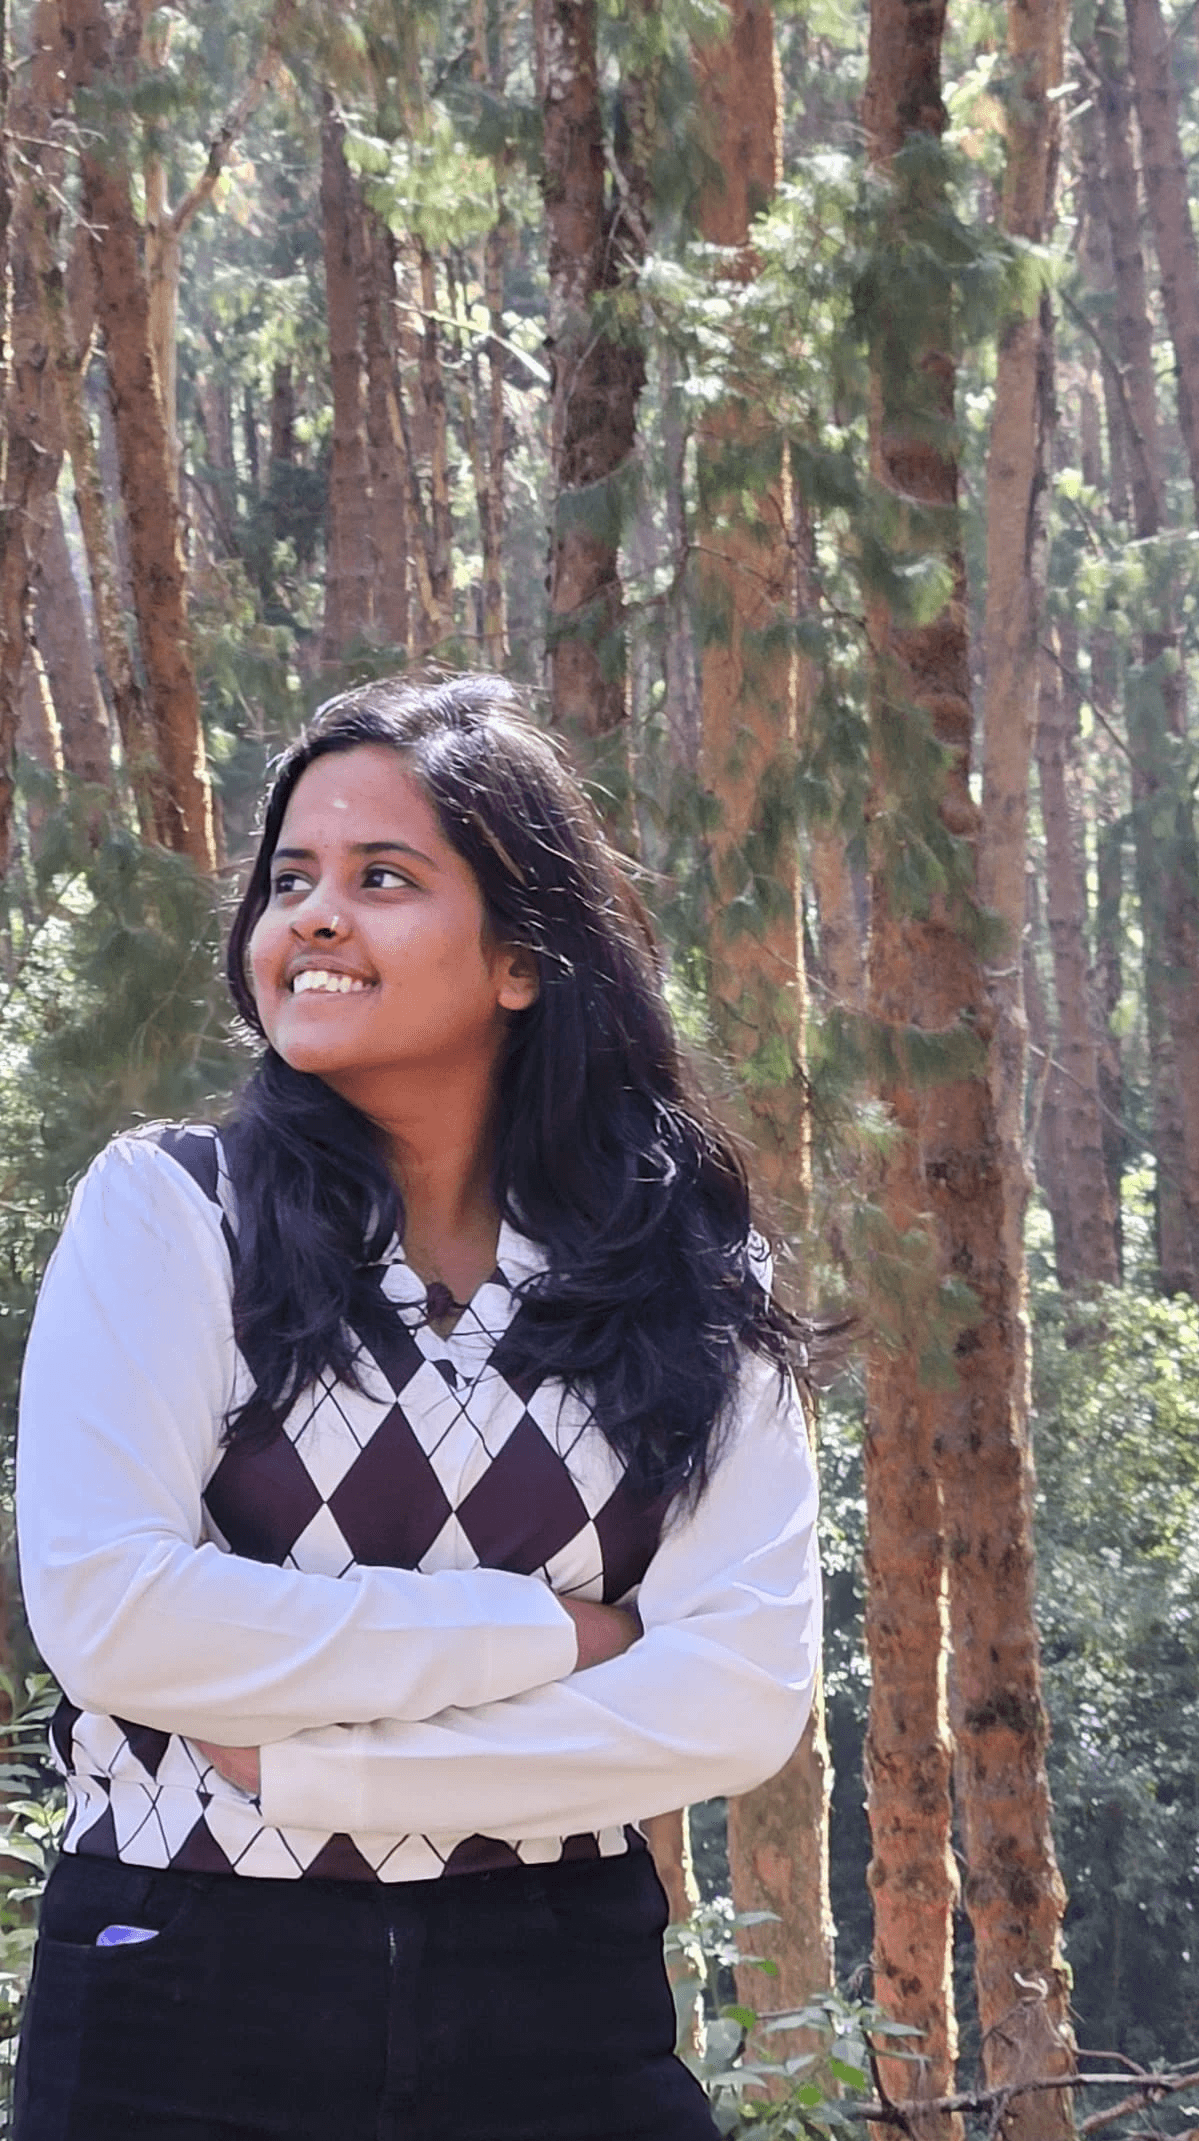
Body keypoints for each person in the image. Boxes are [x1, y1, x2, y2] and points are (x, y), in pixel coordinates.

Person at [13, 673, 822, 2141]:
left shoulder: (681, 1270)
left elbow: (736, 1696)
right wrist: (543, 1636)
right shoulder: (172, 1215)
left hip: (561, 1996)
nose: (313, 918)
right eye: (291, 880)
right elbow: (110, 1612)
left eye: (382, 878)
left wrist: (314, 1765)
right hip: (172, 1986)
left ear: (521, 958)